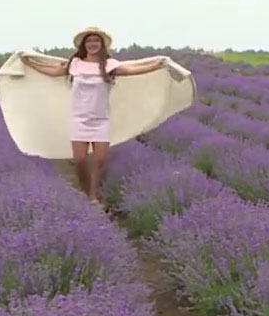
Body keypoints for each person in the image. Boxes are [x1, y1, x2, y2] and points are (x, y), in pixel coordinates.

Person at [20, 27, 167, 203]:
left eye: (96, 41)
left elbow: (132, 69)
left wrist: (158, 64)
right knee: (80, 161)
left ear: (102, 44)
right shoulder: (74, 64)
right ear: (84, 44)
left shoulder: (109, 65)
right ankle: (84, 190)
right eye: (89, 41)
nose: (93, 44)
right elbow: (52, 71)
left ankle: (93, 195)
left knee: (99, 160)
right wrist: (30, 64)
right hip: (79, 119)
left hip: (100, 119)